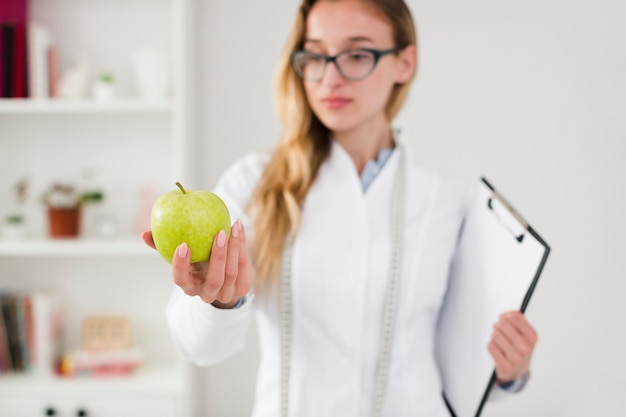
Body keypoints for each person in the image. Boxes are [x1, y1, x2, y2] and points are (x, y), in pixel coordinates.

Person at [142, 0, 538, 416]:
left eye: (356, 54)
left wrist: (510, 372)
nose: (330, 77)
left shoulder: (451, 201)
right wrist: (218, 301)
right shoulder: (254, 183)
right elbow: (196, 346)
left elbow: (460, 357)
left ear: (405, 62)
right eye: (315, 55)